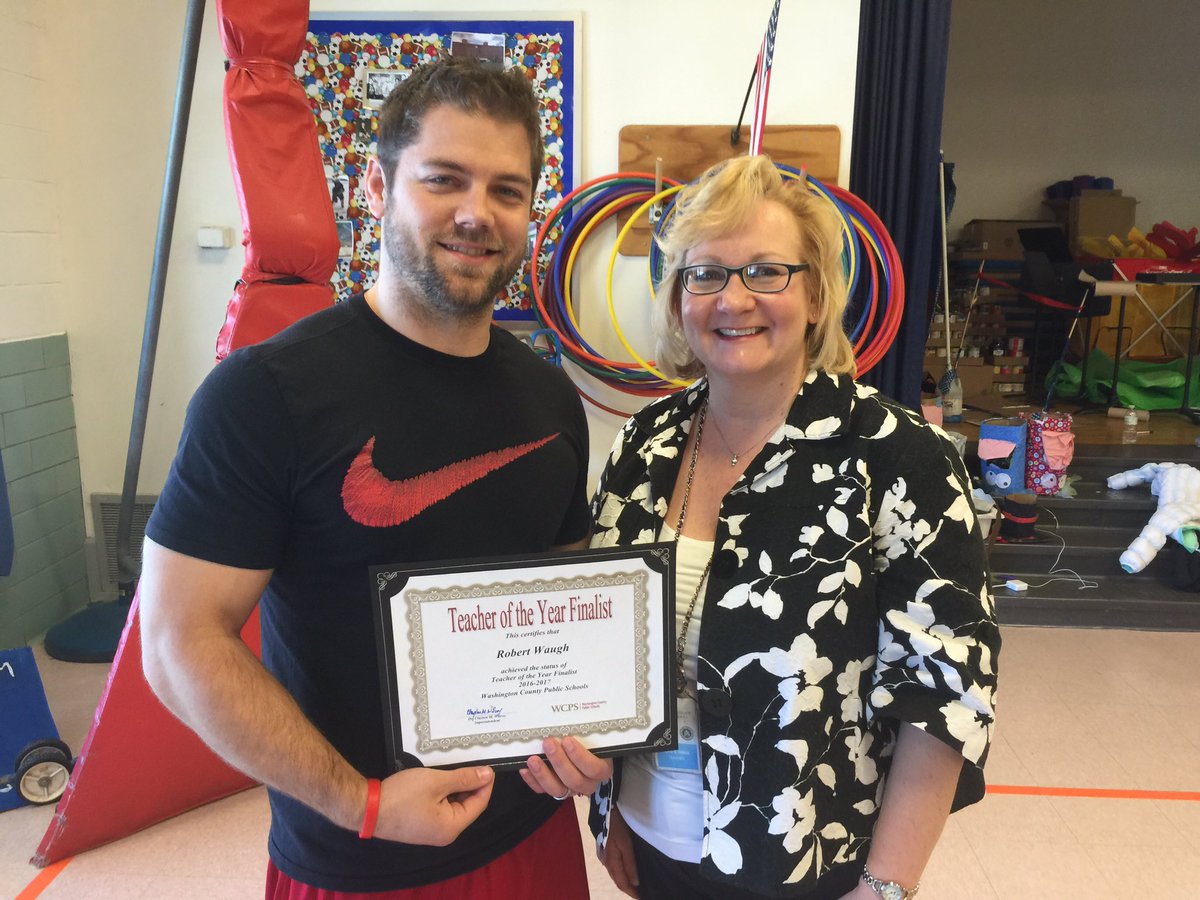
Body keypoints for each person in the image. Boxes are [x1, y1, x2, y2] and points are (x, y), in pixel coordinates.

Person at [140, 58, 611, 898]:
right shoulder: (264, 394)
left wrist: (588, 734)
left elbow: (565, 607)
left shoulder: (549, 397)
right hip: (360, 853)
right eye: (444, 179)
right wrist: (357, 803)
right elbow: (178, 644)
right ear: (376, 186)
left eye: (507, 190)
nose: (477, 213)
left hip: (532, 835)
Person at [588, 155, 999, 899]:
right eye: (705, 274)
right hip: (652, 844)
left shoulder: (901, 458)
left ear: (814, 295)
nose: (732, 298)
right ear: (678, 299)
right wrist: (611, 806)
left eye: (765, 271)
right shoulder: (643, 444)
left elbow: (943, 695)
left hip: (804, 862)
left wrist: (884, 888)